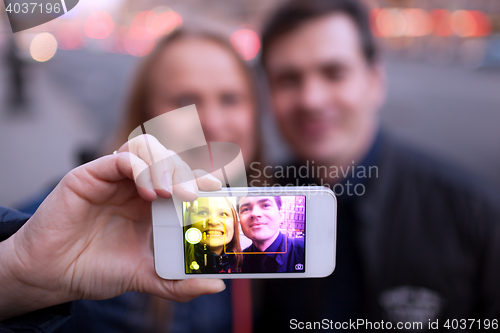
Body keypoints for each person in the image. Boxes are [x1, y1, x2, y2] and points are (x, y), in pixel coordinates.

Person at [253, 0, 500, 330]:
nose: (311, 98)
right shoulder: (252, 203)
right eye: (288, 79)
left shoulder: (474, 215)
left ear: (375, 81)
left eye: (334, 73)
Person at [0, 134, 226, 331]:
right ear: (146, 114)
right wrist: (16, 273)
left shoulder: (252, 260)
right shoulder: (88, 206)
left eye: (229, 100)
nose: (210, 121)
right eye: (184, 102)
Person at [238, 196, 304, 273]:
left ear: (280, 215)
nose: (255, 213)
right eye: (246, 209)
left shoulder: (305, 253)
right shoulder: (238, 262)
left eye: (265, 205)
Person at [184, 197, 243, 273]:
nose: (213, 221)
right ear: (189, 222)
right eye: (202, 213)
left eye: (223, 214)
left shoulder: (247, 267)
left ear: (234, 224)